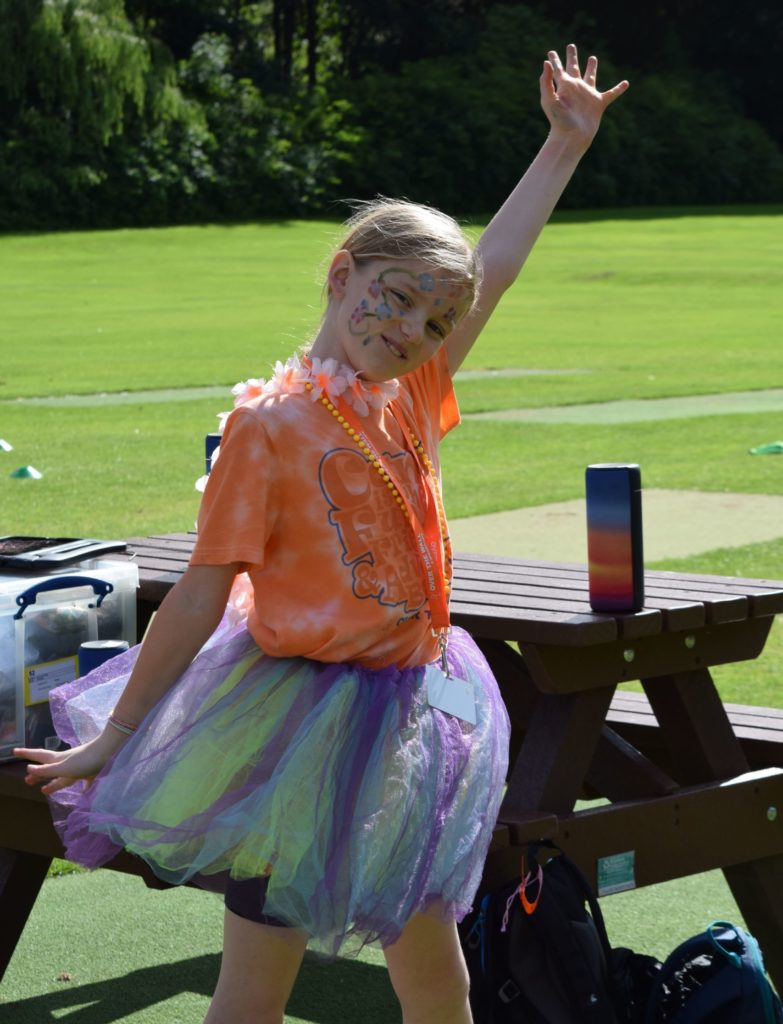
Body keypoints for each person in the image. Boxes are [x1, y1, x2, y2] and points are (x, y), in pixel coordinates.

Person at [17, 45, 628, 1024]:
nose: (413, 330)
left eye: (435, 322)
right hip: (289, 733)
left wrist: (563, 145)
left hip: (412, 721)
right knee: (257, 984)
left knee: (437, 975)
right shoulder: (267, 428)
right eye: (396, 297)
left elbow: (495, 270)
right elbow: (201, 594)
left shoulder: (410, 392)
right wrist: (118, 739)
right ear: (346, 274)